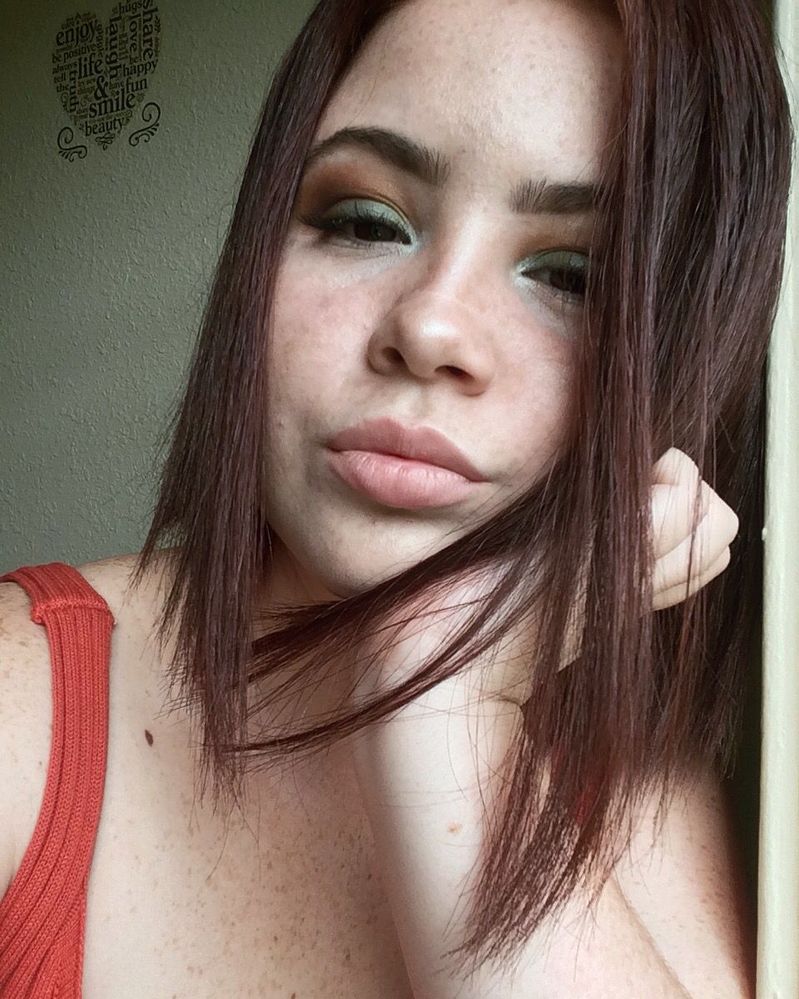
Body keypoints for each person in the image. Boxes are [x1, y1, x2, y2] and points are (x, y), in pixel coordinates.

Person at [0, 0, 791, 995]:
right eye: (365, 222)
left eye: (572, 276)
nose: (429, 329)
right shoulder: (19, 704)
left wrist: (437, 685)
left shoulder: (646, 788)